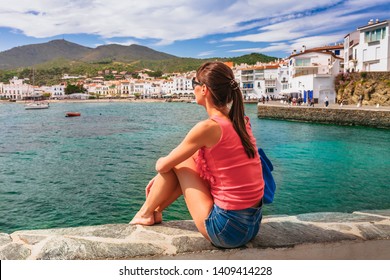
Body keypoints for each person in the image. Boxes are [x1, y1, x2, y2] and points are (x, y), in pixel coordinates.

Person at [130, 61, 265, 249]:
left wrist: (161, 168)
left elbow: (163, 166)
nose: (192, 89)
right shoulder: (242, 121)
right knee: (189, 160)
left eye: (194, 85)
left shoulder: (208, 127)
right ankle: (155, 210)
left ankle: (146, 213)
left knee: (179, 162)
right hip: (252, 224)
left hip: (226, 230)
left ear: (204, 89)